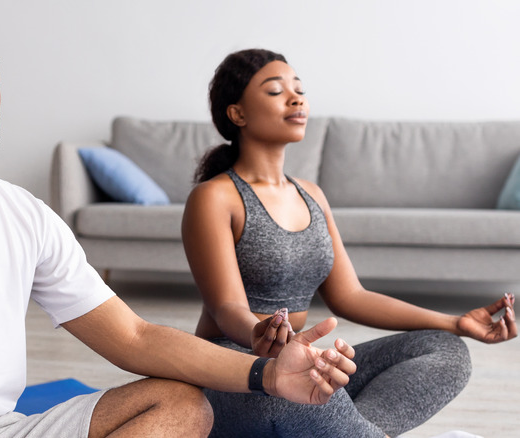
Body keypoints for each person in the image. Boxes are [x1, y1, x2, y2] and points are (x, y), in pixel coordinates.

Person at [0, 11, 359, 438]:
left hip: (2, 428)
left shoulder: (23, 215)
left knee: (181, 404)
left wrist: (266, 373)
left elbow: (134, 337)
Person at [181, 48, 518, 438]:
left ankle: (349, 430)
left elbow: (351, 296)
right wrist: (258, 334)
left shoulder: (312, 194)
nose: (296, 99)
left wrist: (454, 322)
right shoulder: (215, 197)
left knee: (444, 352)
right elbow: (226, 308)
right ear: (237, 113)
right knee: (305, 384)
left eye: (299, 90)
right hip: (234, 374)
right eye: (275, 91)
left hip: (295, 368)